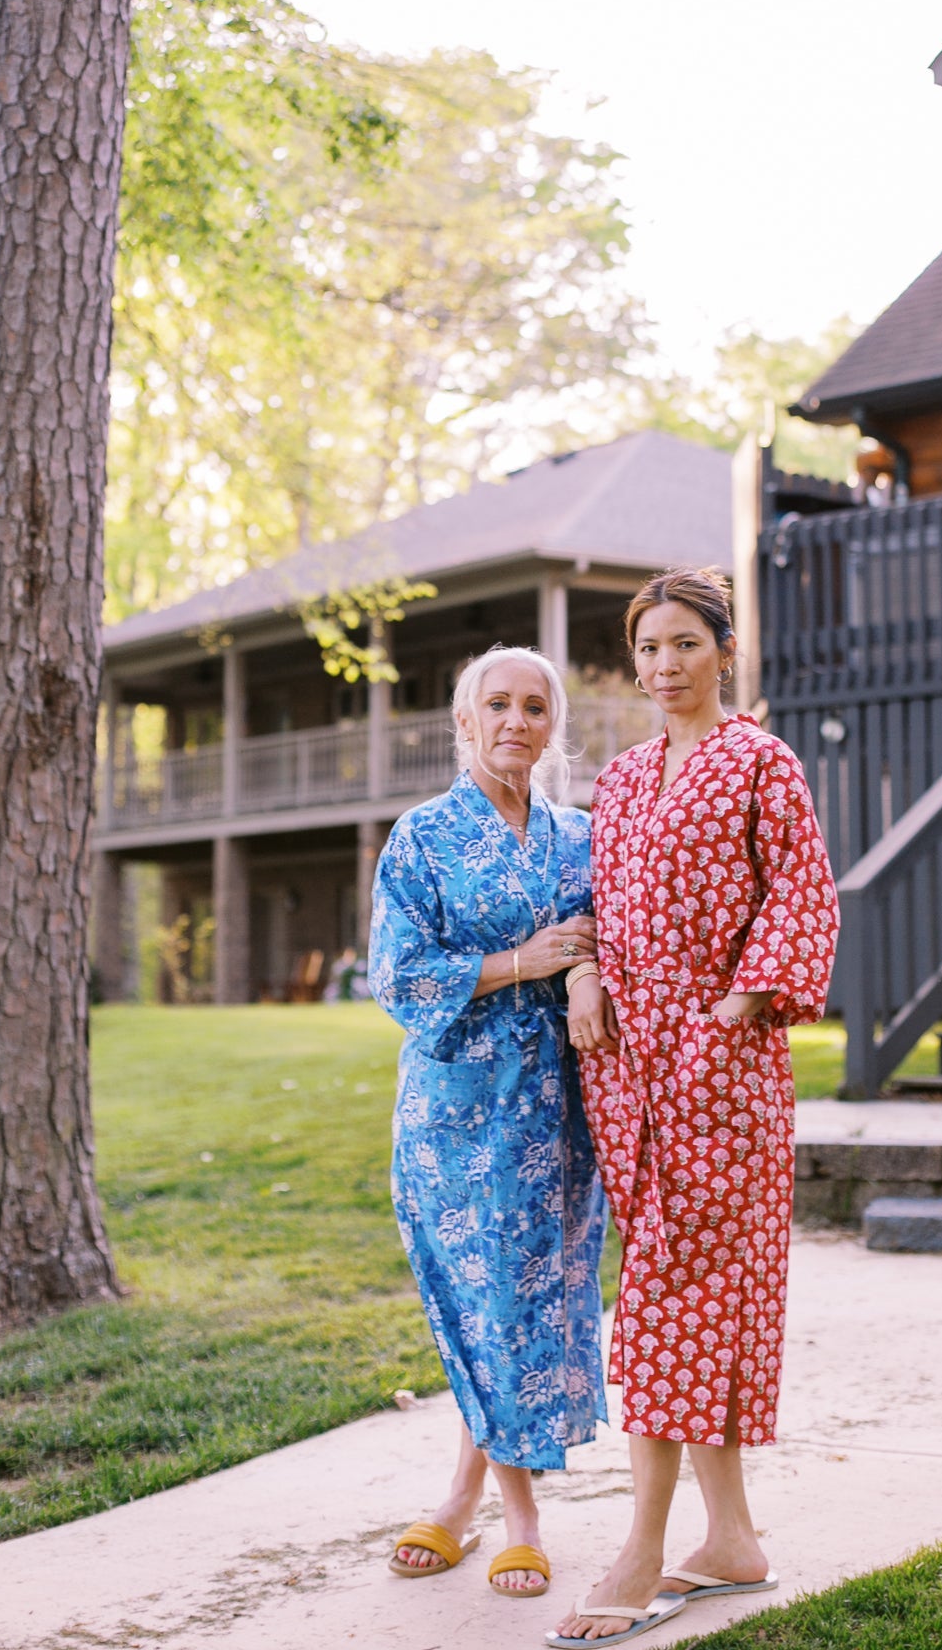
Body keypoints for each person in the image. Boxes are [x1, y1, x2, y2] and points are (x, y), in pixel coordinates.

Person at [550, 568, 838, 1646]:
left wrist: (731, 1013)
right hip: (630, 1076)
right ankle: (733, 1539)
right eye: (648, 647)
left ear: (724, 650)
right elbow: (590, 908)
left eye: (683, 644)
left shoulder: (763, 761)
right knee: (687, 1299)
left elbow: (805, 897)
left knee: (672, 1306)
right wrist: (582, 979)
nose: (663, 665)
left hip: (724, 1075)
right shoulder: (621, 780)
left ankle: (639, 1548)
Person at [370, 645, 608, 1602]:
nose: (516, 721)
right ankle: (519, 1519)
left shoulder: (579, 834)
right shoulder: (421, 838)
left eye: (535, 706)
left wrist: (581, 969)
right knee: (483, 1303)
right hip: (457, 1111)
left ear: (553, 726)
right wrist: (524, 959)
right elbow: (398, 973)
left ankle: (460, 1499)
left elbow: (600, 933)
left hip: (557, 1111)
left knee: (520, 1305)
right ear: (464, 723)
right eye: (496, 705)